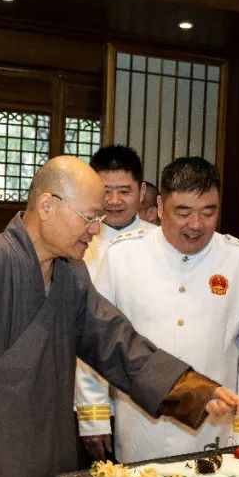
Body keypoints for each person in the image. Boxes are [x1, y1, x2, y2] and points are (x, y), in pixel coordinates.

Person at [0, 156, 239, 477]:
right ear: (47, 206)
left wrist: (191, 390)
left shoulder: (71, 274)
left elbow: (117, 342)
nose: (96, 229)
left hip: (49, 449)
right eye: (89, 217)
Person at [78, 156, 239, 462]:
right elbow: (97, 339)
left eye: (208, 212)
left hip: (215, 429)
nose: (196, 225)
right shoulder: (122, 256)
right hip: (141, 425)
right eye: (183, 212)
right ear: (159, 205)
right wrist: (94, 415)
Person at [76, 145, 147, 450]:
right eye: (106, 191)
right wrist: (94, 415)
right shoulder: (76, 240)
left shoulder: (158, 243)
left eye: (125, 191)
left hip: (141, 396)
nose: (115, 201)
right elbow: (83, 330)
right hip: (83, 393)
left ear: (141, 191)